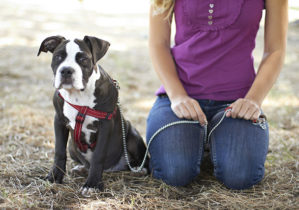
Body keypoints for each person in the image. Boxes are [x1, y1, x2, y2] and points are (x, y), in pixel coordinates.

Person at [146, 0, 288, 189]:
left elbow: (275, 50)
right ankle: (203, 142)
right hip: (180, 97)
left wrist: (253, 100)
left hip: (238, 102)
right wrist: (178, 95)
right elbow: (158, 44)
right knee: (174, 173)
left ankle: (210, 141)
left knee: (240, 176)